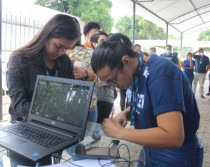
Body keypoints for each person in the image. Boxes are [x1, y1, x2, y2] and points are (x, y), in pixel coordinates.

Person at [91, 33, 203, 167]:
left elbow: (173, 136)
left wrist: (120, 132)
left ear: (125, 61)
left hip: (174, 154)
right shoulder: (135, 70)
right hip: (150, 147)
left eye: (112, 80)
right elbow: (149, 102)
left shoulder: (160, 73)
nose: (113, 86)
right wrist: (125, 113)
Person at [6, 14, 81, 165]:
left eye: (66, 48)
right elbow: (19, 105)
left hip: (56, 129)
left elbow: (69, 93)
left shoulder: (64, 61)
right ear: (47, 35)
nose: (61, 52)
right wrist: (49, 115)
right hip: (24, 129)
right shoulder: (19, 60)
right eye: (59, 46)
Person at [90, 31, 114, 123]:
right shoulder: (88, 57)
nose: (106, 43)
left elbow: (112, 79)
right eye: (102, 40)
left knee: (98, 130)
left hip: (106, 99)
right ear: (94, 44)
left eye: (107, 41)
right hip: (91, 99)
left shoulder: (111, 58)